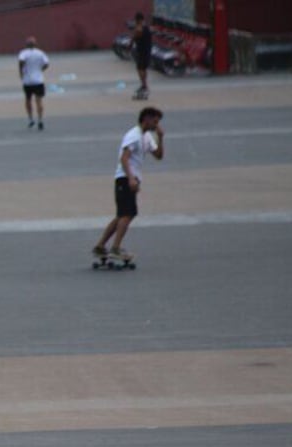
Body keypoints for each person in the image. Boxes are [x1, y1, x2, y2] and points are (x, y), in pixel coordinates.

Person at [93, 107, 165, 261]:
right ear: (146, 118)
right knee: (128, 214)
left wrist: (161, 137)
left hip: (130, 178)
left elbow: (158, 156)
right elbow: (124, 158)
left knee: (122, 215)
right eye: (155, 121)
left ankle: (100, 246)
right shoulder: (133, 135)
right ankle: (115, 248)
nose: (156, 124)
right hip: (124, 178)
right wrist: (131, 178)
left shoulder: (146, 137)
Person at [18, 36, 49, 131]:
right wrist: (41, 70)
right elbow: (47, 63)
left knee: (28, 100)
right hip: (38, 80)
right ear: (35, 44)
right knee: (39, 101)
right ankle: (40, 120)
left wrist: (21, 72)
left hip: (27, 80)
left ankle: (31, 119)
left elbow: (21, 61)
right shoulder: (40, 53)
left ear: (26, 44)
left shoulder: (23, 53)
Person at [131, 12, 153, 98]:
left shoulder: (139, 28)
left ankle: (144, 85)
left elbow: (136, 36)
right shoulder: (147, 27)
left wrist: (130, 43)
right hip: (147, 50)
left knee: (140, 68)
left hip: (141, 51)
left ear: (138, 20)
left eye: (136, 20)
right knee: (143, 68)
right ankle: (144, 85)